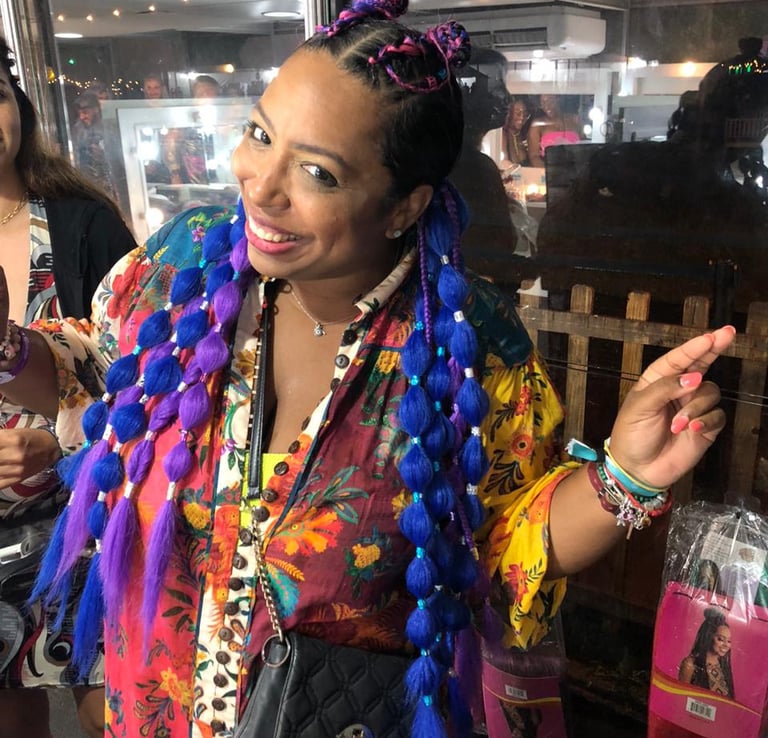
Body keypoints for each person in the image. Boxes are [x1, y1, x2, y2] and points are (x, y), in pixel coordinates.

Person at [0, 2, 736, 736]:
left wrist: (627, 476)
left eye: (316, 171)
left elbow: (501, 544)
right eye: (261, 134)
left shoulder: (468, 346)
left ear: (402, 207)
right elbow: (98, 372)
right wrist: (7, 347)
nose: (261, 186)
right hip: (149, 711)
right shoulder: (183, 267)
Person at [0, 38, 137, 738]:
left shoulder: (83, 221)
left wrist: (63, 445)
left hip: (85, 518)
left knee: (110, 707)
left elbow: (142, 372)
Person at [678, 607, 734, 698]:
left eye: (729, 641)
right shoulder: (690, 664)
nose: (726, 645)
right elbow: (682, 698)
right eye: (720, 639)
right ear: (708, 637)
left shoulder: (723, 666)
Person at [526, 94, 583, 168]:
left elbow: (584, 150)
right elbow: (534, 157)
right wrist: (550, 172)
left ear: (558, 98)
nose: (546, 106)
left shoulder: (575, 120)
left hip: (575, 170)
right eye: (543, 103)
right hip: (550, 171)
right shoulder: (537, 125)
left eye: (550, 101)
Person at [503, 96, 532, 167]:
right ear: (509, 114)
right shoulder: (502, 134)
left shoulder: (527, 134)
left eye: (525, 114)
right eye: (518, 113)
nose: (522, 117)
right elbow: (504, 163)